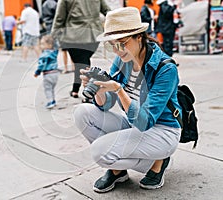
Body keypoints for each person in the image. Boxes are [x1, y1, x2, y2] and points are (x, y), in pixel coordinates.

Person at [74, 7, 182, 193]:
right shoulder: (122, 60)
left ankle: (159, 160)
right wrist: (99, 89)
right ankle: (118, 171)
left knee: (100, 152)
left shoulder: (165, 68)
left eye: (122, 43)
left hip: (162, 130)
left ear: (139, 37)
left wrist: (119, 89)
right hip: (135, 126)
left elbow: (145, 121)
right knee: (82, 113)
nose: (117, 50)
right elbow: (105, 105)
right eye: (112, 45)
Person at [51, 0, 110, 103]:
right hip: (94, 34)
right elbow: (107, 11)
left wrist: (53, 35)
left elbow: (59, 18)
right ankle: (75, 89)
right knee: (81, 63)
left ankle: (89, 93)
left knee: (81, 63)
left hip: (73, 36)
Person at [34, 35, 59, 109]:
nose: (40, 46)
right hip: (55, 73)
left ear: (49, 45)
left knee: (47, 88)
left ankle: (50, 101)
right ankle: (53, 100)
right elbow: (57, 46)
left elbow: (41, 65)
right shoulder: (54, 52)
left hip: (48, 74)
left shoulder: (44, 55)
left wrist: (37, 72)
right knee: (52, 88)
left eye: (42, 44)